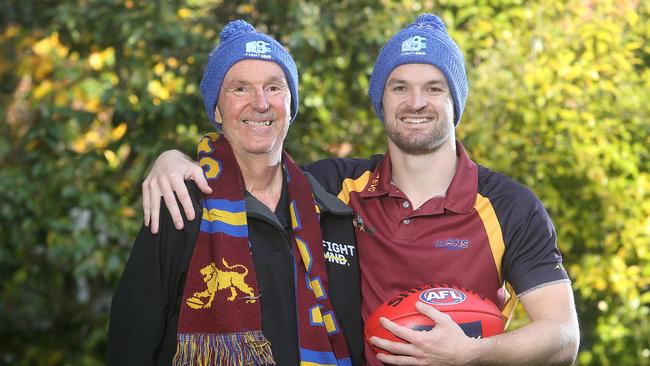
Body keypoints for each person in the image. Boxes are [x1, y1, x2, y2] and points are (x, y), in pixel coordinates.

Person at [141, 14, 580, 365]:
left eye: (434, 88)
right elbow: (250, 167)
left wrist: (471, 354)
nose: (416, 102)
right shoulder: (332, 188)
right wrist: (173, 160)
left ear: (455, 102)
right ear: (381, 101)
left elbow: (562, 336)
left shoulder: (510, 206)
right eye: (399, 88)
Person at [107, 20, 363, 366]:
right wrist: (169, 158)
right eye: (240, 89)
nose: (260, 103)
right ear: (216, 109)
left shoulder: (331, 210)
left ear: (291, 105)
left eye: (274, 88)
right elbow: (130, 344)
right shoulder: (181, 207)